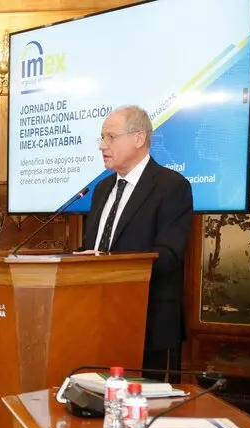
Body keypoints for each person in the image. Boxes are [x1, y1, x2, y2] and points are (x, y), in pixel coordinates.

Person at [77, 105, 193, 381]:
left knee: (143, 411)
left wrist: (109, 261)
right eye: (102, 138)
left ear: (139, 138)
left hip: (147, 321)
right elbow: (91, 246)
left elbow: (168, 255)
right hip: (98, 319)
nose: (102, 146)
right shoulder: (102, 189)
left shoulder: (171, 186)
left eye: (110, 137)